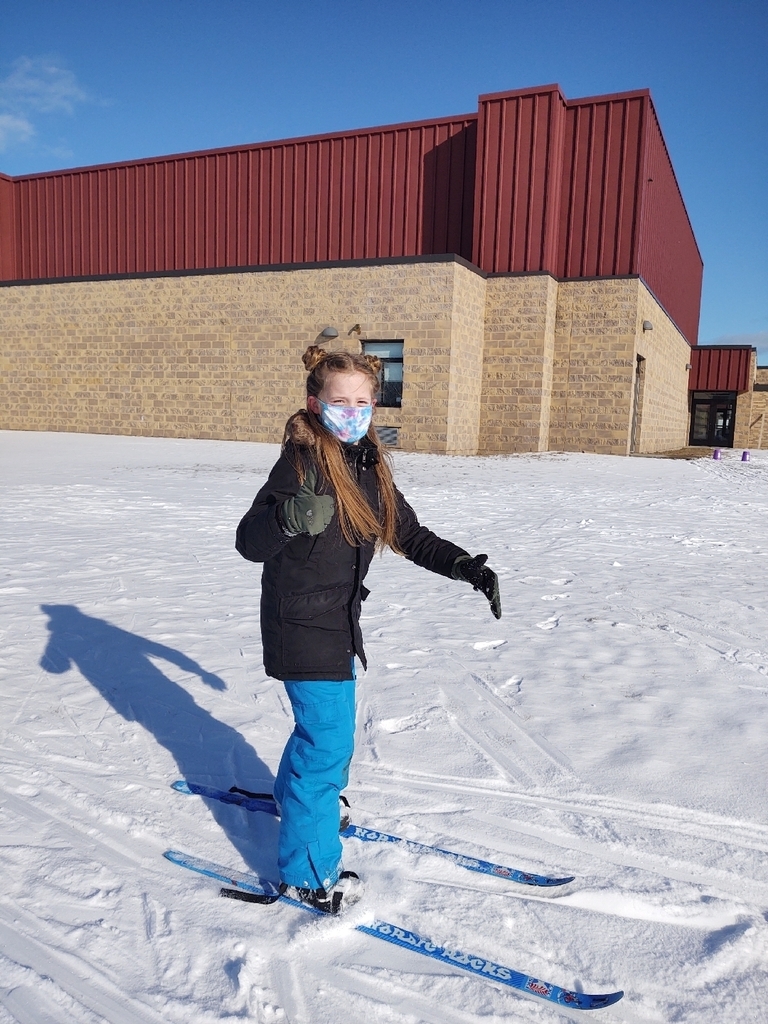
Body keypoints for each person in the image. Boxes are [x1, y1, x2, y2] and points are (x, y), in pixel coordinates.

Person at [235, 345, 501, 914]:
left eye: (362, 402)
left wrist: (463, 566)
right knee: (327, 742)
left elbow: (407, 532)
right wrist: (287, 518)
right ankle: (309, 873)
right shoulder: (301, 464)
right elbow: (249, 541)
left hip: (338, 622)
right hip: (299, 622)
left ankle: (303, 803)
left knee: (325, 735)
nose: (352, 412)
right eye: (340, 401)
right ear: (316, 403)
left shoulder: (368, 464)